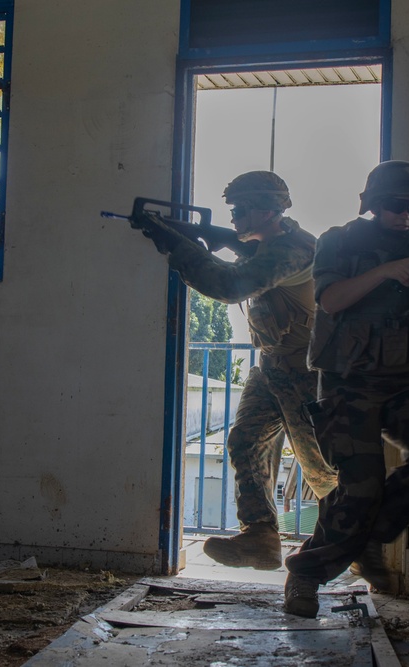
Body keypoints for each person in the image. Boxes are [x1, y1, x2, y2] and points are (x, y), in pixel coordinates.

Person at [283, 161, 409, 618]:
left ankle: (367, 538)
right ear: (374, 204)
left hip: (401, 381)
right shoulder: (340, 241)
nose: (407, 216)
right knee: (360, 488)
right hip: (347, 384)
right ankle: (305, 573)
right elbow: (331, 299)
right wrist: (388, 270)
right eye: (398, 207)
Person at [143, 171, 337, 570]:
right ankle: (261, 537)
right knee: (246, 443)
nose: (233, 219)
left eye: (240, 210)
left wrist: (179, 249)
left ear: (267, 210)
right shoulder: (265, 248)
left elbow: (230, 285)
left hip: (305, 372)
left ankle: (353, 543)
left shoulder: (294, 250)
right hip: (270, 368)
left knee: (320, 468)